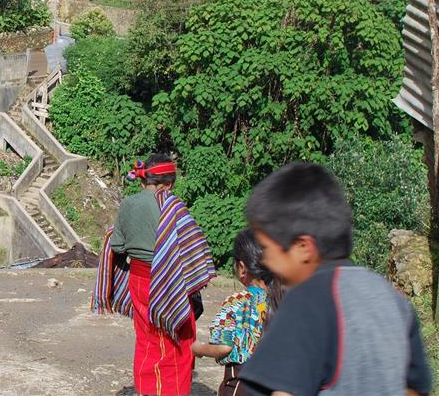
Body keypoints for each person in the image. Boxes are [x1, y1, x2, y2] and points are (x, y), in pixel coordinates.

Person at [237, 162, 432, 396]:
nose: (265, 260)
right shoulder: (392, 298)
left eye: (267, 248)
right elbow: (415, 389)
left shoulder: (307, 301)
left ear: (303, 247)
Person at [93, 154, 216, 396]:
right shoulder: (172, 206)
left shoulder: (128, 204)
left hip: (138, 280)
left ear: (143, 180)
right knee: (177, 342)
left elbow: (117, 246)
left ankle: (146, 389)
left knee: (147, 339)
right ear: (169, 184)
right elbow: (193, 248)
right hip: (167, 283)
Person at [191, 229, 284, 396]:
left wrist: (198, 349)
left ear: (242, 268)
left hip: (241, 384)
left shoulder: (237, 301)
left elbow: (224, 347)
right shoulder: (282, 298)